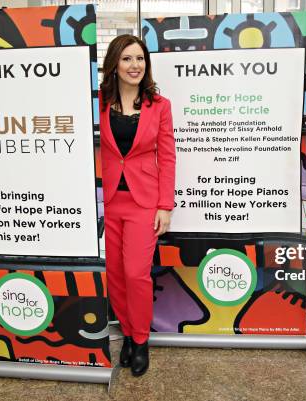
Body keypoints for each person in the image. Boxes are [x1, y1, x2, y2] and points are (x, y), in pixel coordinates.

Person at [99, 34, 176, 375]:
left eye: (140, 59)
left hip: (145, 202)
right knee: (115, 275)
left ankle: (141, 340)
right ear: (115, 64)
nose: (135, 66)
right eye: (128, 59)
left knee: (136, 274)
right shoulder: (99, 101)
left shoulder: (159, 105)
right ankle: (127, 334)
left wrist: (165, 205)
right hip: (111, 200)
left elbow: (168, 157)